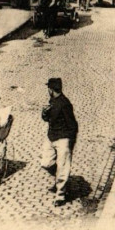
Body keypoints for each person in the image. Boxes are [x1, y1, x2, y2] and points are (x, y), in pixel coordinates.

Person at [41, 77, 78, 206]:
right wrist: (44, 114)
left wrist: (70, 142)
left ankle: (61, 195)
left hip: (63, 138)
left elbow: (73, 125)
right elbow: (48, 119)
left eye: (48, 88)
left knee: (62, 166)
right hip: (51, 136)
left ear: (51, 90)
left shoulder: (65, 104)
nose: (47, 91)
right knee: (46, 163)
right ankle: (60, 178)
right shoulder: (52, 101)